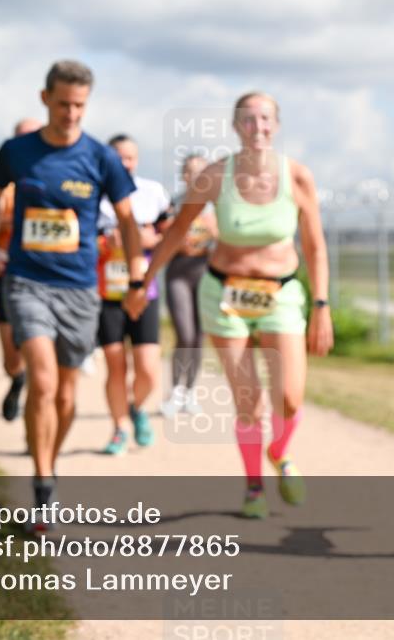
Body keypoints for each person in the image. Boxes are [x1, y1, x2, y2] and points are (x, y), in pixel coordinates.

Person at [125, 92, 334, 519]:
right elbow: (177, 231)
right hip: (225, 296)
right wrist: (142, 281)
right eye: (248, 120)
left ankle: (279, 453)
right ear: (236, 127)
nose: (257, 127)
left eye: (265, 119)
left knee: (290, 398)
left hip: (281, 293)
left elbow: (314, 246)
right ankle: (254, 486)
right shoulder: (216, 177)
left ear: (276, 125)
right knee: (248, 401)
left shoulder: (297, 176)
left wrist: (321, 304)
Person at [0, 60, 142, 526]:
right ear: (45, 98)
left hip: (79, 288)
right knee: (44, 381)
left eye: (80, 106)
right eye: (64, 104)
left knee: (67, 396)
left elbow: (128, 221)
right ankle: (42, 480)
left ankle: (50, 459)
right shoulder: (17, 151)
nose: (72, 114)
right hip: (27, 281)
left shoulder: (100, 158)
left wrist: (135, 278)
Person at [96, 134, 172, 454]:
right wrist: (106, 242)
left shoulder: (153, 192)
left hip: (144, 291)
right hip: (106, 293)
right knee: (116, 367)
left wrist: (147, 239)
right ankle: (118, 429)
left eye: (130, 157)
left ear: (137, 160)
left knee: (148, 370)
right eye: (118, 157)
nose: (125, 163)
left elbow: (170, 233)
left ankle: (137, 408)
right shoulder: (94, 193)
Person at [0, 117, 42, 422]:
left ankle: (35, 426)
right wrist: (12, 224)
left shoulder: (51, 176)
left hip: (45, 277)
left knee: (40, 355)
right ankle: (16, 380)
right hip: (8, 274)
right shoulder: (2, 182)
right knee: (12, 357)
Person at [161, 153, 213, 418]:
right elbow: (162, 238)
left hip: (205, 273)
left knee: (198, 338)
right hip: (178, 273)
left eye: (202, 172)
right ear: (184, 175)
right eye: (192, 172)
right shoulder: (174, 204)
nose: (197, 177)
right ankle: (175, 392)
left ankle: (191, 392)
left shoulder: (215, 206)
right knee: (185, 334)